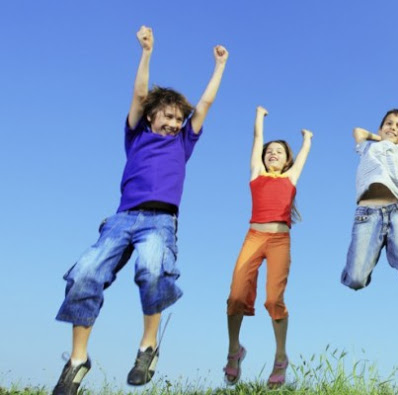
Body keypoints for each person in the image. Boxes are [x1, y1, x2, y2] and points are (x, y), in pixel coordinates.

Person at [53, 26, 228, 394]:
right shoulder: (136, 135)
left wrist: (219, 67)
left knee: (152, 270)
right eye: (167, 116)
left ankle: (147, 347)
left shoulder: (184, 142)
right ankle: (77, 361)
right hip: (121, 219)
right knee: (85, 273)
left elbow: (206, 104)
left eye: (179, 119)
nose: (174, 123)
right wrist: (147, 52)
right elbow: (138, 93)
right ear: (151, 117)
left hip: (160, 221)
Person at [223, 106, 312, 387]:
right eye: (269, 151)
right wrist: (259, 118)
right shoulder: (256, 174)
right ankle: (234, 351)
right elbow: (257, 140)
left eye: (279, 152)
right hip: (254, 237)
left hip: (279, 241)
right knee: (236, 294)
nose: (272, 153)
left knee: (274, 300)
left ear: (287, 161)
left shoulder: (290, 178)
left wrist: (307, 138)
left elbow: (304, 156)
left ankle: (280, 358)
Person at [341, 109, 398, 290]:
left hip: (397, 212)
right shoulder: (367, 148)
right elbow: (358, 132)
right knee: (355, 280)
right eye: (389, 124)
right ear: (380, 128)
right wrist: (381, 138)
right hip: (366, 215)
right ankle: (372, 259)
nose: (393, 127)